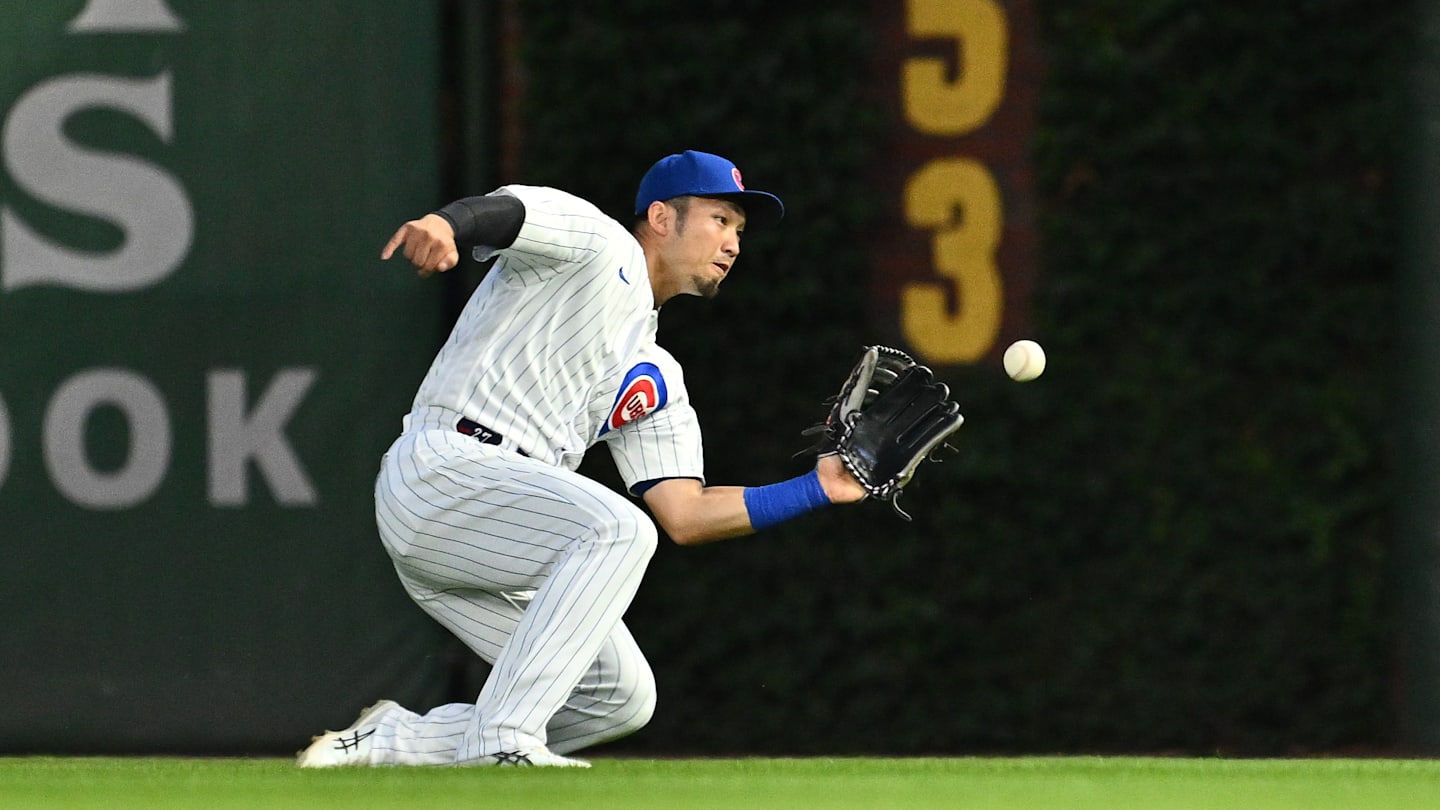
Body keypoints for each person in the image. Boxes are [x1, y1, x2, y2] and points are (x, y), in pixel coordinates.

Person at [297, 150, 867, 768]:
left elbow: (687, 514)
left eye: (739, 229)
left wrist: (816, 488)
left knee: (618, 697)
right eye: (720, 218)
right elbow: (512, 213)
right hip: (441, 469)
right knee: (618, 528)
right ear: (661, 217)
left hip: (491, 537)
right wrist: (447, 224)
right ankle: (501, 740)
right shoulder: (598, 244)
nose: (732, 242)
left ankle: (393, 742)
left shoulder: (657, 372)